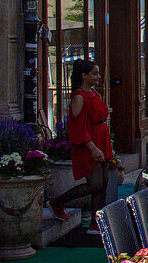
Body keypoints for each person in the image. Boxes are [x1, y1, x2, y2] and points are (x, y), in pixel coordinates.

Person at [48, 60, 114, 231]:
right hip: (89, 143)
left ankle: (95, 222)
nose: (98, 77)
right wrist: (92, 148)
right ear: (84, 76)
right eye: (95, 73)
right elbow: (77, 126)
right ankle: (57, 202)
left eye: (98, 73)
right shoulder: (79, 96)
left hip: (102, 138)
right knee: (95, 184)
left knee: (104, 182)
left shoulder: (93, 93)